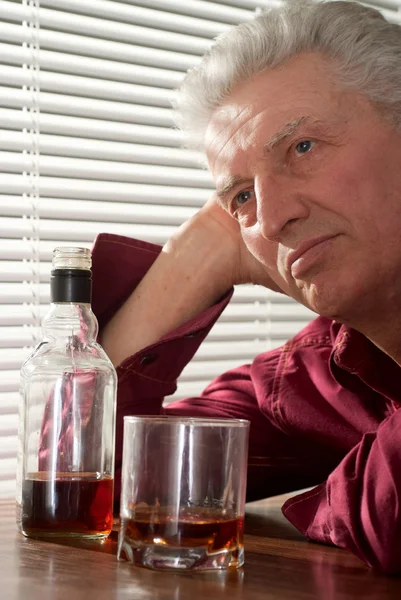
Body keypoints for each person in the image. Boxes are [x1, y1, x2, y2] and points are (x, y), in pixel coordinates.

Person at [91, 0, 401, 573]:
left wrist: (338, 503)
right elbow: (89, 476)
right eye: (241, 198)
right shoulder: (316, 371)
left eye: (302, 148)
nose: (271, 217)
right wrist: (191, 259)